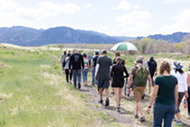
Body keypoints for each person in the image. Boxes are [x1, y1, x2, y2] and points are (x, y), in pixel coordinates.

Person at [146, 61, 178, 127]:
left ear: (161, 68)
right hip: (171, 105)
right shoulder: (174, 79)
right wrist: (176, 106)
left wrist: (149, 106)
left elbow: (154, 93)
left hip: (160, 105)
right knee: (168, 125)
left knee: (157, 124)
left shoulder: (158, 79)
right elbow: (176, 94)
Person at [171, 61, 188, 125]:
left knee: (176, 105)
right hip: (182, 91)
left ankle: (179, 120)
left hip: (175, 90)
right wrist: (186, 92)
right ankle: (173, 116)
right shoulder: (183, 73)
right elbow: (185, 83)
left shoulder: (172, 73)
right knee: (177, 104)